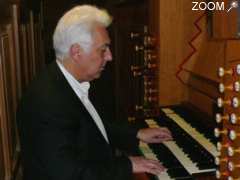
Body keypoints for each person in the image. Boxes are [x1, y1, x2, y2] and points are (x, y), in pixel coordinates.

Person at [17, 5, 172, 180]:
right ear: (76, 52)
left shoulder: (64, 80)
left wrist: (136, 134)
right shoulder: (48, 103)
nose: (110, 56)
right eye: (103, 49)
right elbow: (69, 175)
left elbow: (90, 125)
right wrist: (128, 165)